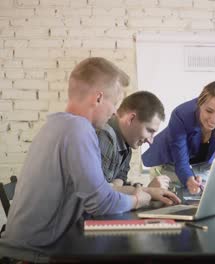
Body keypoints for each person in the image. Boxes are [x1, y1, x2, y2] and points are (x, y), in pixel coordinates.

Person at [1, 57, 152, 249]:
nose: (114, 112)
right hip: (36, 252)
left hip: (23, 245)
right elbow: (101, 202)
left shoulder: (54, 124)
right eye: (115, 102)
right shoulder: (78, 129)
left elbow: (97, 194)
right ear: (98, 98)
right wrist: (138, 199)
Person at [142, 80, 215, 194]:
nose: (214, 120)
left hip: (201, 166)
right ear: (199, 104)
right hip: (169, 164)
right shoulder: (181, 114)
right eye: (209, 111)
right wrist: (189, 179)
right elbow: (180, 160)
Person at [96, 91, 180, 205]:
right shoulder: (106, 137)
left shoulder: (127, 144)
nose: (150, 140)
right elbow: (100, 194)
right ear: (131, 119)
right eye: (150, 131)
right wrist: (148, 191)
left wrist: (146, 190)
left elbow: (117, 184)